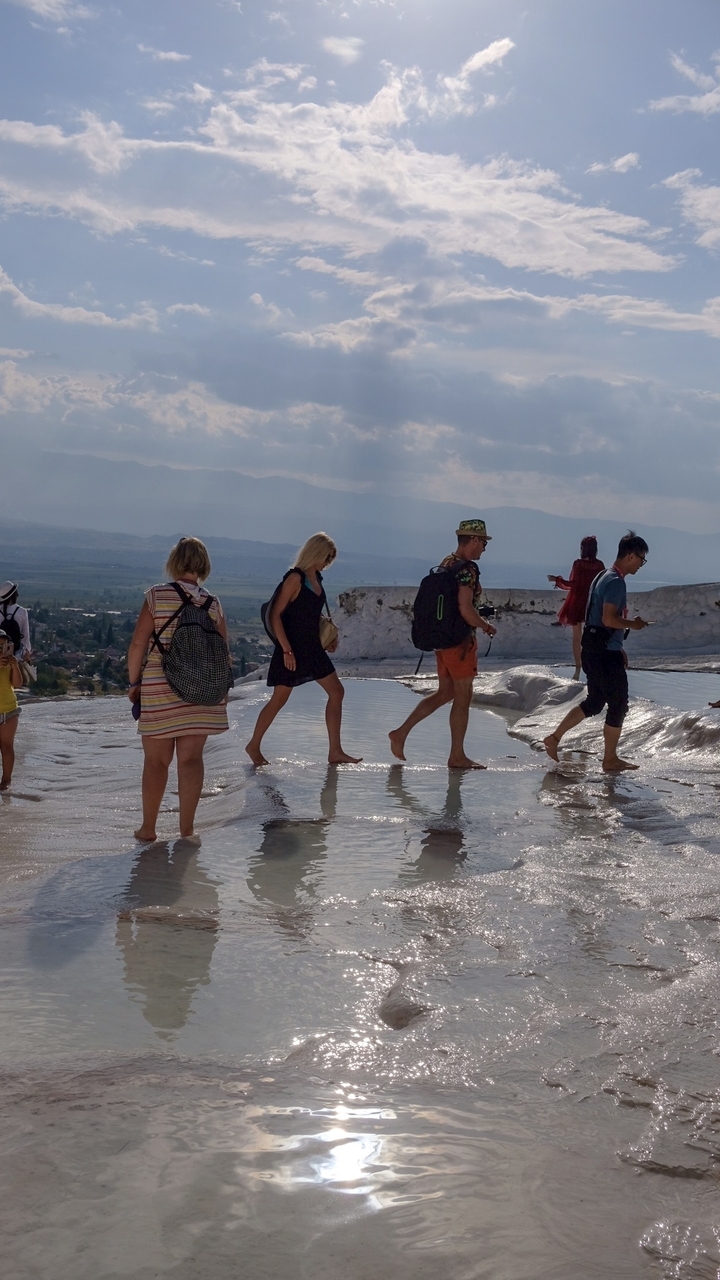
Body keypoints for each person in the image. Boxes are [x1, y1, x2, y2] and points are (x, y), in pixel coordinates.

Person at [127, 537, 231, 844]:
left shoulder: (157, 596)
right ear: (203, 566)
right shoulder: (212, 603)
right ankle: (187, 830)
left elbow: (137, 644)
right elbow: (224, 651)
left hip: (161, 685)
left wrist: (135, 683)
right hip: (202, 691)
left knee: (156, 761)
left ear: (174, 562)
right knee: (191, 760)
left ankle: (148, 829)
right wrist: (222, 689)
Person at [389, 518, 497, 770]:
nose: (484, 547)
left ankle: (401, 733)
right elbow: (465, 608)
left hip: (441, 639)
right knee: (462, 697)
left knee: (445, 692)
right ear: (472, 540)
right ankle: (457, 756)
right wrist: (485, 626)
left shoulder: (447, 563)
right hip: (459, 643)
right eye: (482, 542)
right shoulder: (467, 570)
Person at [245, 532, 361, 767]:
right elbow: (276, 614)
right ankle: (253, 745)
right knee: (279, 699)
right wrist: (286, 650)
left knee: (337, 692)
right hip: (292, 650)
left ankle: (335, 751)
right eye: (327, 557)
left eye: (331, 558)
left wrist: (329, 636)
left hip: (313, 648)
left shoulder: (316, 578)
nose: (328, 563)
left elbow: (309, 612)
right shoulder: (295, 578)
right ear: (316, 552)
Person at [544, 531, 649, 772]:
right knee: (619, 704)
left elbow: (597, 619)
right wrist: (633, 624)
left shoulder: (602, 576)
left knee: (594, 702)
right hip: (603, 654)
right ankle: (610, 759)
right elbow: (609, 618)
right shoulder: (615, 582)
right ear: (631, 556)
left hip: (594, 649)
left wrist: (618, 646)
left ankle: (554, 738)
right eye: (641, 559)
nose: (641, 565)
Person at [547, 536, 605, 681]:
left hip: (578, 601)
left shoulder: (578, 564)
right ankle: (593, 666)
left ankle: (578, 667)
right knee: (593, 635)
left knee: (576, 638)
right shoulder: (600, 565)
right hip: (592, 602)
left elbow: (572, 584)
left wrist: (557, 580)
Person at [0, 627, 23, 791]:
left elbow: (17, 684)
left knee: (7, 747)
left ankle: (6, 781)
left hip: (9, 710)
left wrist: (15, 666)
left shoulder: (9, 664)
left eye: (5, 646)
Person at [0, 581, 31, 659]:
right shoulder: (22, 611)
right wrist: (27, 651)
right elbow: (25, 635)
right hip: (16, 652)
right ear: (14, 595)